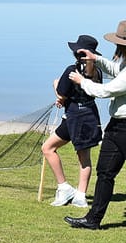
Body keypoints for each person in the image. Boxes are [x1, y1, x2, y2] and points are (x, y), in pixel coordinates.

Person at [65, 20, 126, 229]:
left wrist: (82, 82)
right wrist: (96, 59)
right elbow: (115, 69)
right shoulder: (124, 62)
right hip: (116, 127)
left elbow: (105, 90)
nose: (117, 47)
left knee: (106, 173)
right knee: (105, 172)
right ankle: (93, 220)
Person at [42, 35, 102, 208]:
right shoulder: (97, 72)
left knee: (48, 148)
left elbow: (62, 94)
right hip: (89, 115)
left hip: (74, 117)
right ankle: (75, 193)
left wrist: (55, 84)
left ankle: (68, 190)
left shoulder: (71, 70)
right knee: (83, 157)